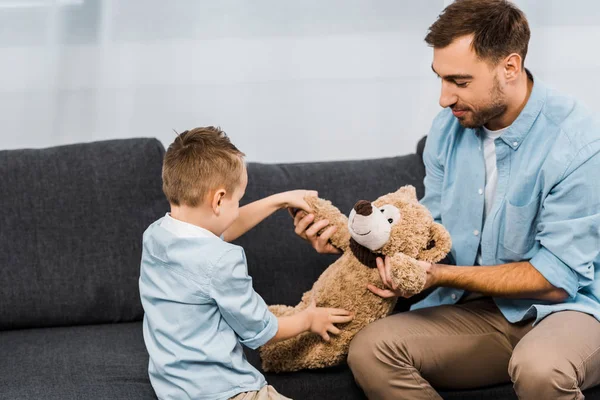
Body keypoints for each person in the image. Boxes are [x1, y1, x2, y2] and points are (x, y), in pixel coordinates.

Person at [291, 1, 600, 399]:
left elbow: (556, 281)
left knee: (540, 369)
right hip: (482, 314)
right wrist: (349, 241)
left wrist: (437, 277)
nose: (443, 98)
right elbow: (423, 232)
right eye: (440, 78)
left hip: (570, 311)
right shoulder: (447, 129)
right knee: (372, 350)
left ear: (510, 67)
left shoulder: (577, 143)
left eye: (459, 81)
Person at [139, 127, 353, 400]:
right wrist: (309, 319)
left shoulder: (157, 235)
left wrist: (279, 200)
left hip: (174, 390)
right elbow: (261, 330)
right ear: (218, 199)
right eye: (238, 200)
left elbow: (220, 228)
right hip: (226, 392)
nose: (238, 208)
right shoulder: (221, 261)